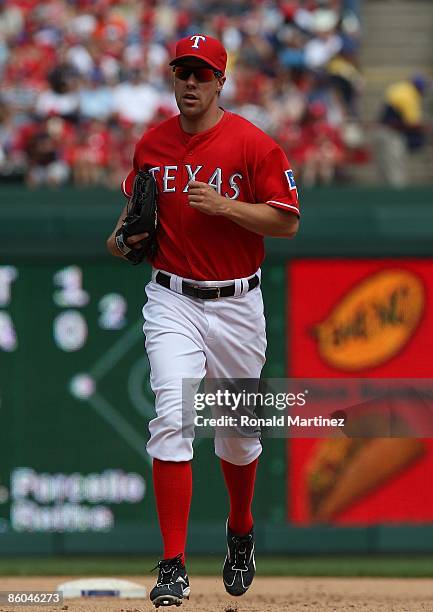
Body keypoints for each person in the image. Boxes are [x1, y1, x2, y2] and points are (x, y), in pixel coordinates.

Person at [107, 34, 300, 608]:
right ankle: (173, 565)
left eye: (201, 74)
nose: (190, 83)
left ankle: (239, 529)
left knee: (240, 439)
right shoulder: (152, 144)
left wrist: (226, 208)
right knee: (172, 416)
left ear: (221, 82)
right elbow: (121, 231)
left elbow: (287, 222)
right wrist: (123, 241)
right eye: (182, 72)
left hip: (239, 304)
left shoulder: (253, 144)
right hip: (173, 300)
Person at [375, 75, 429, 187]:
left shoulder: (400, 88)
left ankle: (385, 198)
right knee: (395, 170)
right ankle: (396, 198)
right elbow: (412, 122)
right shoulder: (409, 93)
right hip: (392, 135)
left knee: (385, 170)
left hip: (383, 132)